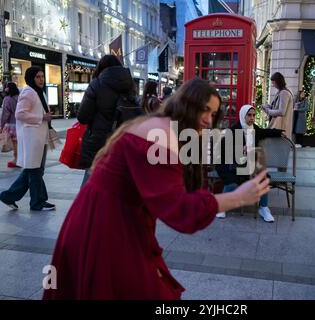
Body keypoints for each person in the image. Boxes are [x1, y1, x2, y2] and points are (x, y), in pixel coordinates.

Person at [42, 79, 270, 299]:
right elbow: (180, 210)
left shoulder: (160, 126)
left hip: (109, 220)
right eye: (206, 111)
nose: (210, 121)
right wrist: (238, 197)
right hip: (106, 227)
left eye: (214, 114)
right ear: (188, 106)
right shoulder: (160, 135)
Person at [0, 66, 55, 211]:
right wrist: (42, 117)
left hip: (39, 138)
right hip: (32, 138)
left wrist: (45, 117)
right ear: (31, 78)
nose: (41, 79)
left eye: (42, 76)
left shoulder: (38, 92)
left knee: (33, 170)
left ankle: (9, 196)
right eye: (38, 77)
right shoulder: (28, 92)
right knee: (35, 170)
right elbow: (19, 114)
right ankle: (37, 202)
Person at [215, 104, 283, 222]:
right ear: (243, 116)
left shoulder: (254, 129)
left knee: (263, 178)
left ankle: (263, 208)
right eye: (249, 115)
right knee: (232, 182)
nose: (252, 118)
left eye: (253, 115)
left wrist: (279, 133)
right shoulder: (233, 130)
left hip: (247, 164)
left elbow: (265, 132)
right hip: (228, 163)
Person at [77, 54, 136, 187]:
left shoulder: (96, 84)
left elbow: (83, 116)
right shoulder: (130, 84)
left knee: (91, 179)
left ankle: (88, 206)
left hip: (98, 140)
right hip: (123, 138)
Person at [261, 72, 294, 141]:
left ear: (277, 82)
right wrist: (268, 106)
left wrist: (268, 111)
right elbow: (276, 106)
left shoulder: (284, 93)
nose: (273, 85)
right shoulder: (282, 91)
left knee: (277, 148)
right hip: (279, 124)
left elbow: (282, 112)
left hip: (280, 125)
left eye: (273, 83)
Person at [0, 82, 20, 168]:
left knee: (15, 143)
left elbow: (5, 114)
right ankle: (20, 158)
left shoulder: (7, 99)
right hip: (20, 124)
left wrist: (2, 125)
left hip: (11, 124)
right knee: (19, 143)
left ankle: (16, 159)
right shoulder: (19, 98)